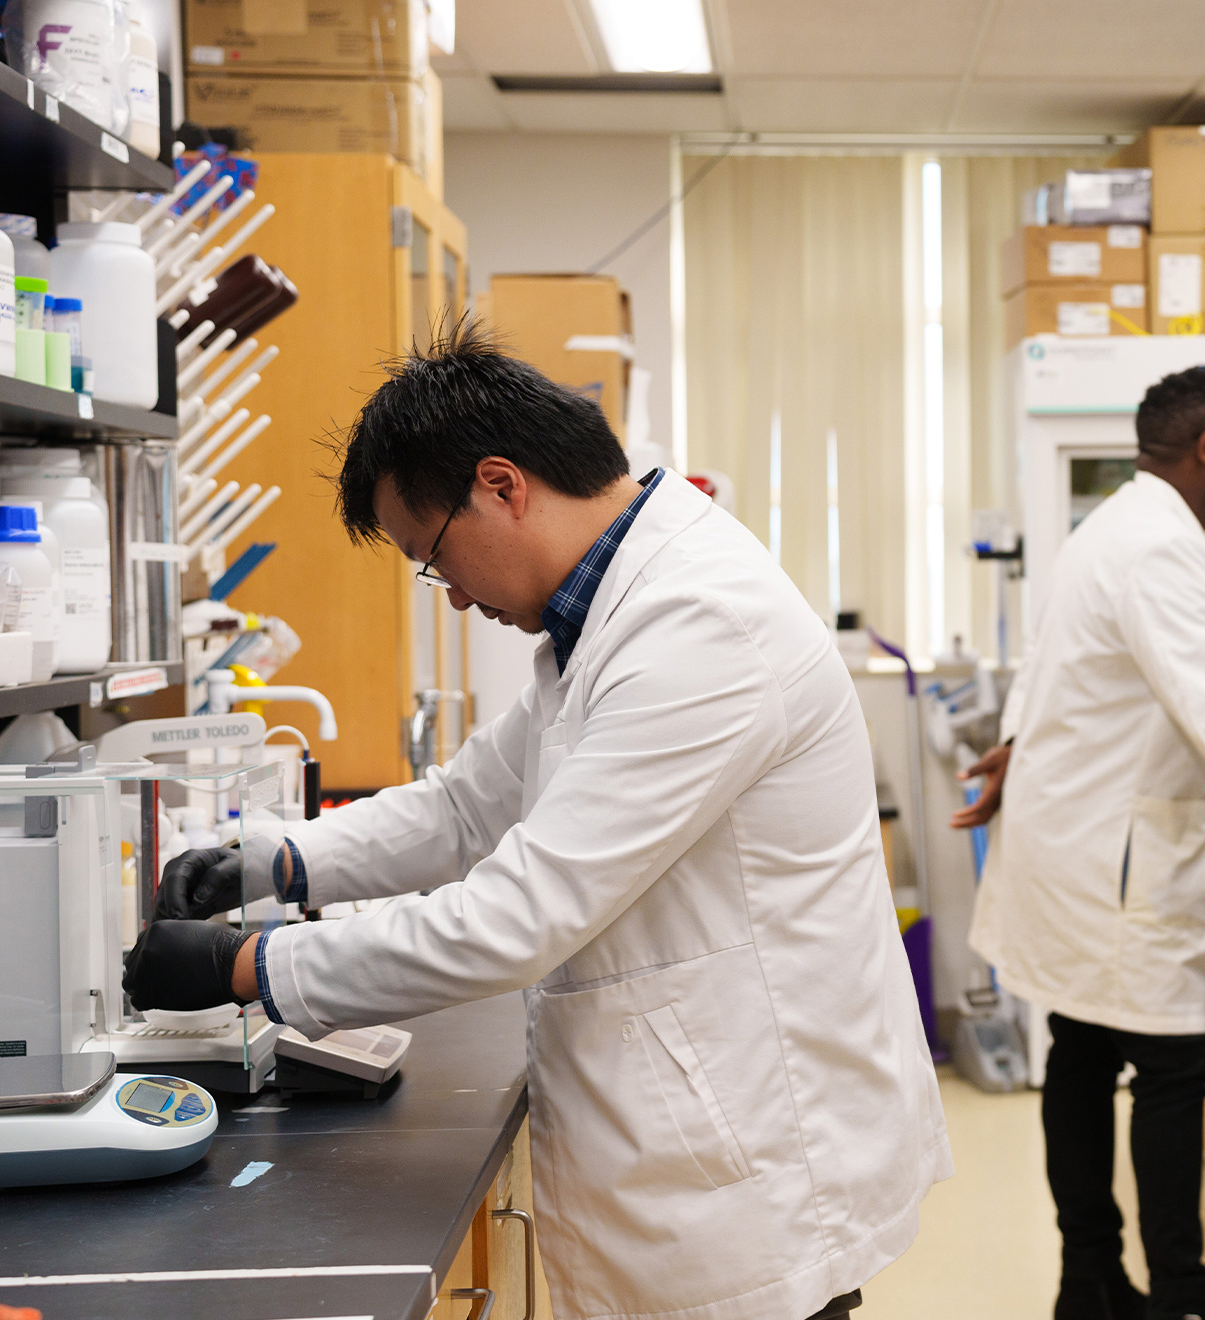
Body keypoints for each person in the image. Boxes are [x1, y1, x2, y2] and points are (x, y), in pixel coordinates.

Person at [124, 322, 951, 1320]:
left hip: (756, 1169)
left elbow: (517, 916)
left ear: (503, 486)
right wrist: (274, 859)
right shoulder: (600, 617)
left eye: (434, 557)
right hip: (697, 1141)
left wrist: (245, 966)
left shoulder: (702, 626)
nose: (453, 597)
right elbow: (467, 804)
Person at [954, 366, 1205, 1320]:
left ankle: (1088, 1282)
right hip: (1114, 864)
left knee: (1082, 1055)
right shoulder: (1161, 549)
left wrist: (1021, 745)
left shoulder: (1115, 526)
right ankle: (1180, 1300)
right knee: (1169, 1073)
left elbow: (1055, 673)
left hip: (1077, 844)